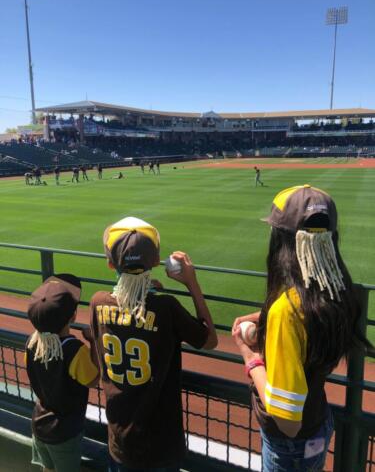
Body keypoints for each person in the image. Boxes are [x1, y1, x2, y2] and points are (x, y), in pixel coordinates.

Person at [232, 185, 371, 471]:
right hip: (319, 420)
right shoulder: (337, 291)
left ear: (282, 241)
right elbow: (310, 306)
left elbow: (288, 422)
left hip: (289, 443)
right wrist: (266, 316)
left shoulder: (288, 311)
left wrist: (250, 358)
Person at [89, 217, 217, 471]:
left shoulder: (97, 302)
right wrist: (191, 283)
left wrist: (145, 292)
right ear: (156, 263)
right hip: (161, 444)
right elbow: (210, 340)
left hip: (120, 441)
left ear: (110, 263)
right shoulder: (165, 307)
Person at [25, 274, 99, 472]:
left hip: (39, 424)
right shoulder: (74, 350)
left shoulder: (31, 344)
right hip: (65, 432)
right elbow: (93, 380)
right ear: (73, 316)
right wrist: (93, 342)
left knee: (47, 469)